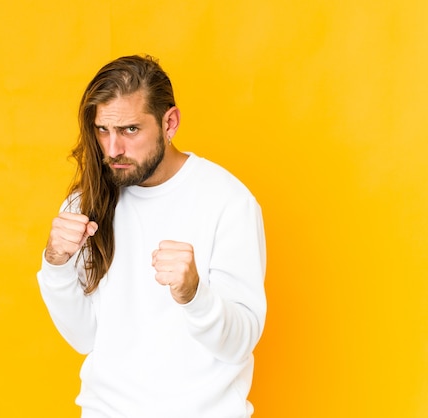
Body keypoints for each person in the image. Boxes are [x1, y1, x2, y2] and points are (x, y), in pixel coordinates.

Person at [37, 54, 267, 418]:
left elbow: (238, 343)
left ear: (169, 123)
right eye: (103, 130)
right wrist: (56, 266)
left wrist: (194, 295)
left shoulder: (228, 202)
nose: (113, 150)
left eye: (130, 130)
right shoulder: (88, 201)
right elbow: (85, 338)